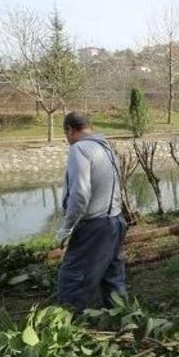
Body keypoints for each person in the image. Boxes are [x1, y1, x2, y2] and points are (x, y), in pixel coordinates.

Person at [55, 112, 128, 313]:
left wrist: (67, 228)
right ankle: (122, 318)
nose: (67, 139)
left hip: (94, 225)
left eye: (66, 134)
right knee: (112, 277)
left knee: (72, 279)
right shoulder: (106, 147)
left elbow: (79, 194)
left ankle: (66, 324)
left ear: (70, 129)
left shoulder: (80, 149)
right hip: (115, 221)